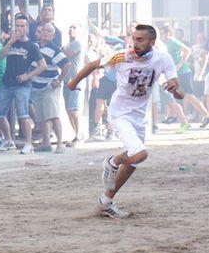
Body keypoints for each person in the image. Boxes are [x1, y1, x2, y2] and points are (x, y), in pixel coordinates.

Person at [67, 24, 183, 219]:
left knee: (133, 164)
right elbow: (92, 65)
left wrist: (175, 89)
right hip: (119, 113)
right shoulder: (121, 56)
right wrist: (72, 84)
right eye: (133, 38)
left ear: (152, 43)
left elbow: (179, 93)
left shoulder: (163, 59)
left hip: (139, 117)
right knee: (140, 154)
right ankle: (112, 161)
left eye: (140, 40)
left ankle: (105, 202)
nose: (134, 43)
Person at [0, 15, 46, 153]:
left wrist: (28, 76)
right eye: (17, 26)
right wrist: (9, 42)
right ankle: (9, 141)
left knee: (23, 114)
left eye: (22, 26)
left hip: (22, 86)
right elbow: (1, 56)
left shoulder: (31, 46)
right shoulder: (10, 41)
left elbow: (42, 65)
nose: (19, 28)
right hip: (6, 83)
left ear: (27, 28)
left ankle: (28, 144)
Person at [31, 23, 68, 153]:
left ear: (53, 35)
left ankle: (59, 144)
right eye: (44, 30)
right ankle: (46, 143)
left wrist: (58, 80)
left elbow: (66, 65)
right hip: (36, 85)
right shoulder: (34, 46)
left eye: (49, 31)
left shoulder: (55, 49)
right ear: (39, 32)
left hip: (50, 85)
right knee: (41, 116)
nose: (46, 33)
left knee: (52, 115)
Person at [63, 24, 85, 143]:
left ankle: (79, 135)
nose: (72, 30)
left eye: (74, 28)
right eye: (70, 28)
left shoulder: (77, 43)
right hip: (67, 81)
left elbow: (66, 54)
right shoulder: (68, 44)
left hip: (75, 81)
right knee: (68, 110)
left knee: (73, 109)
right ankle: (76, 134)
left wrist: (61, 50)